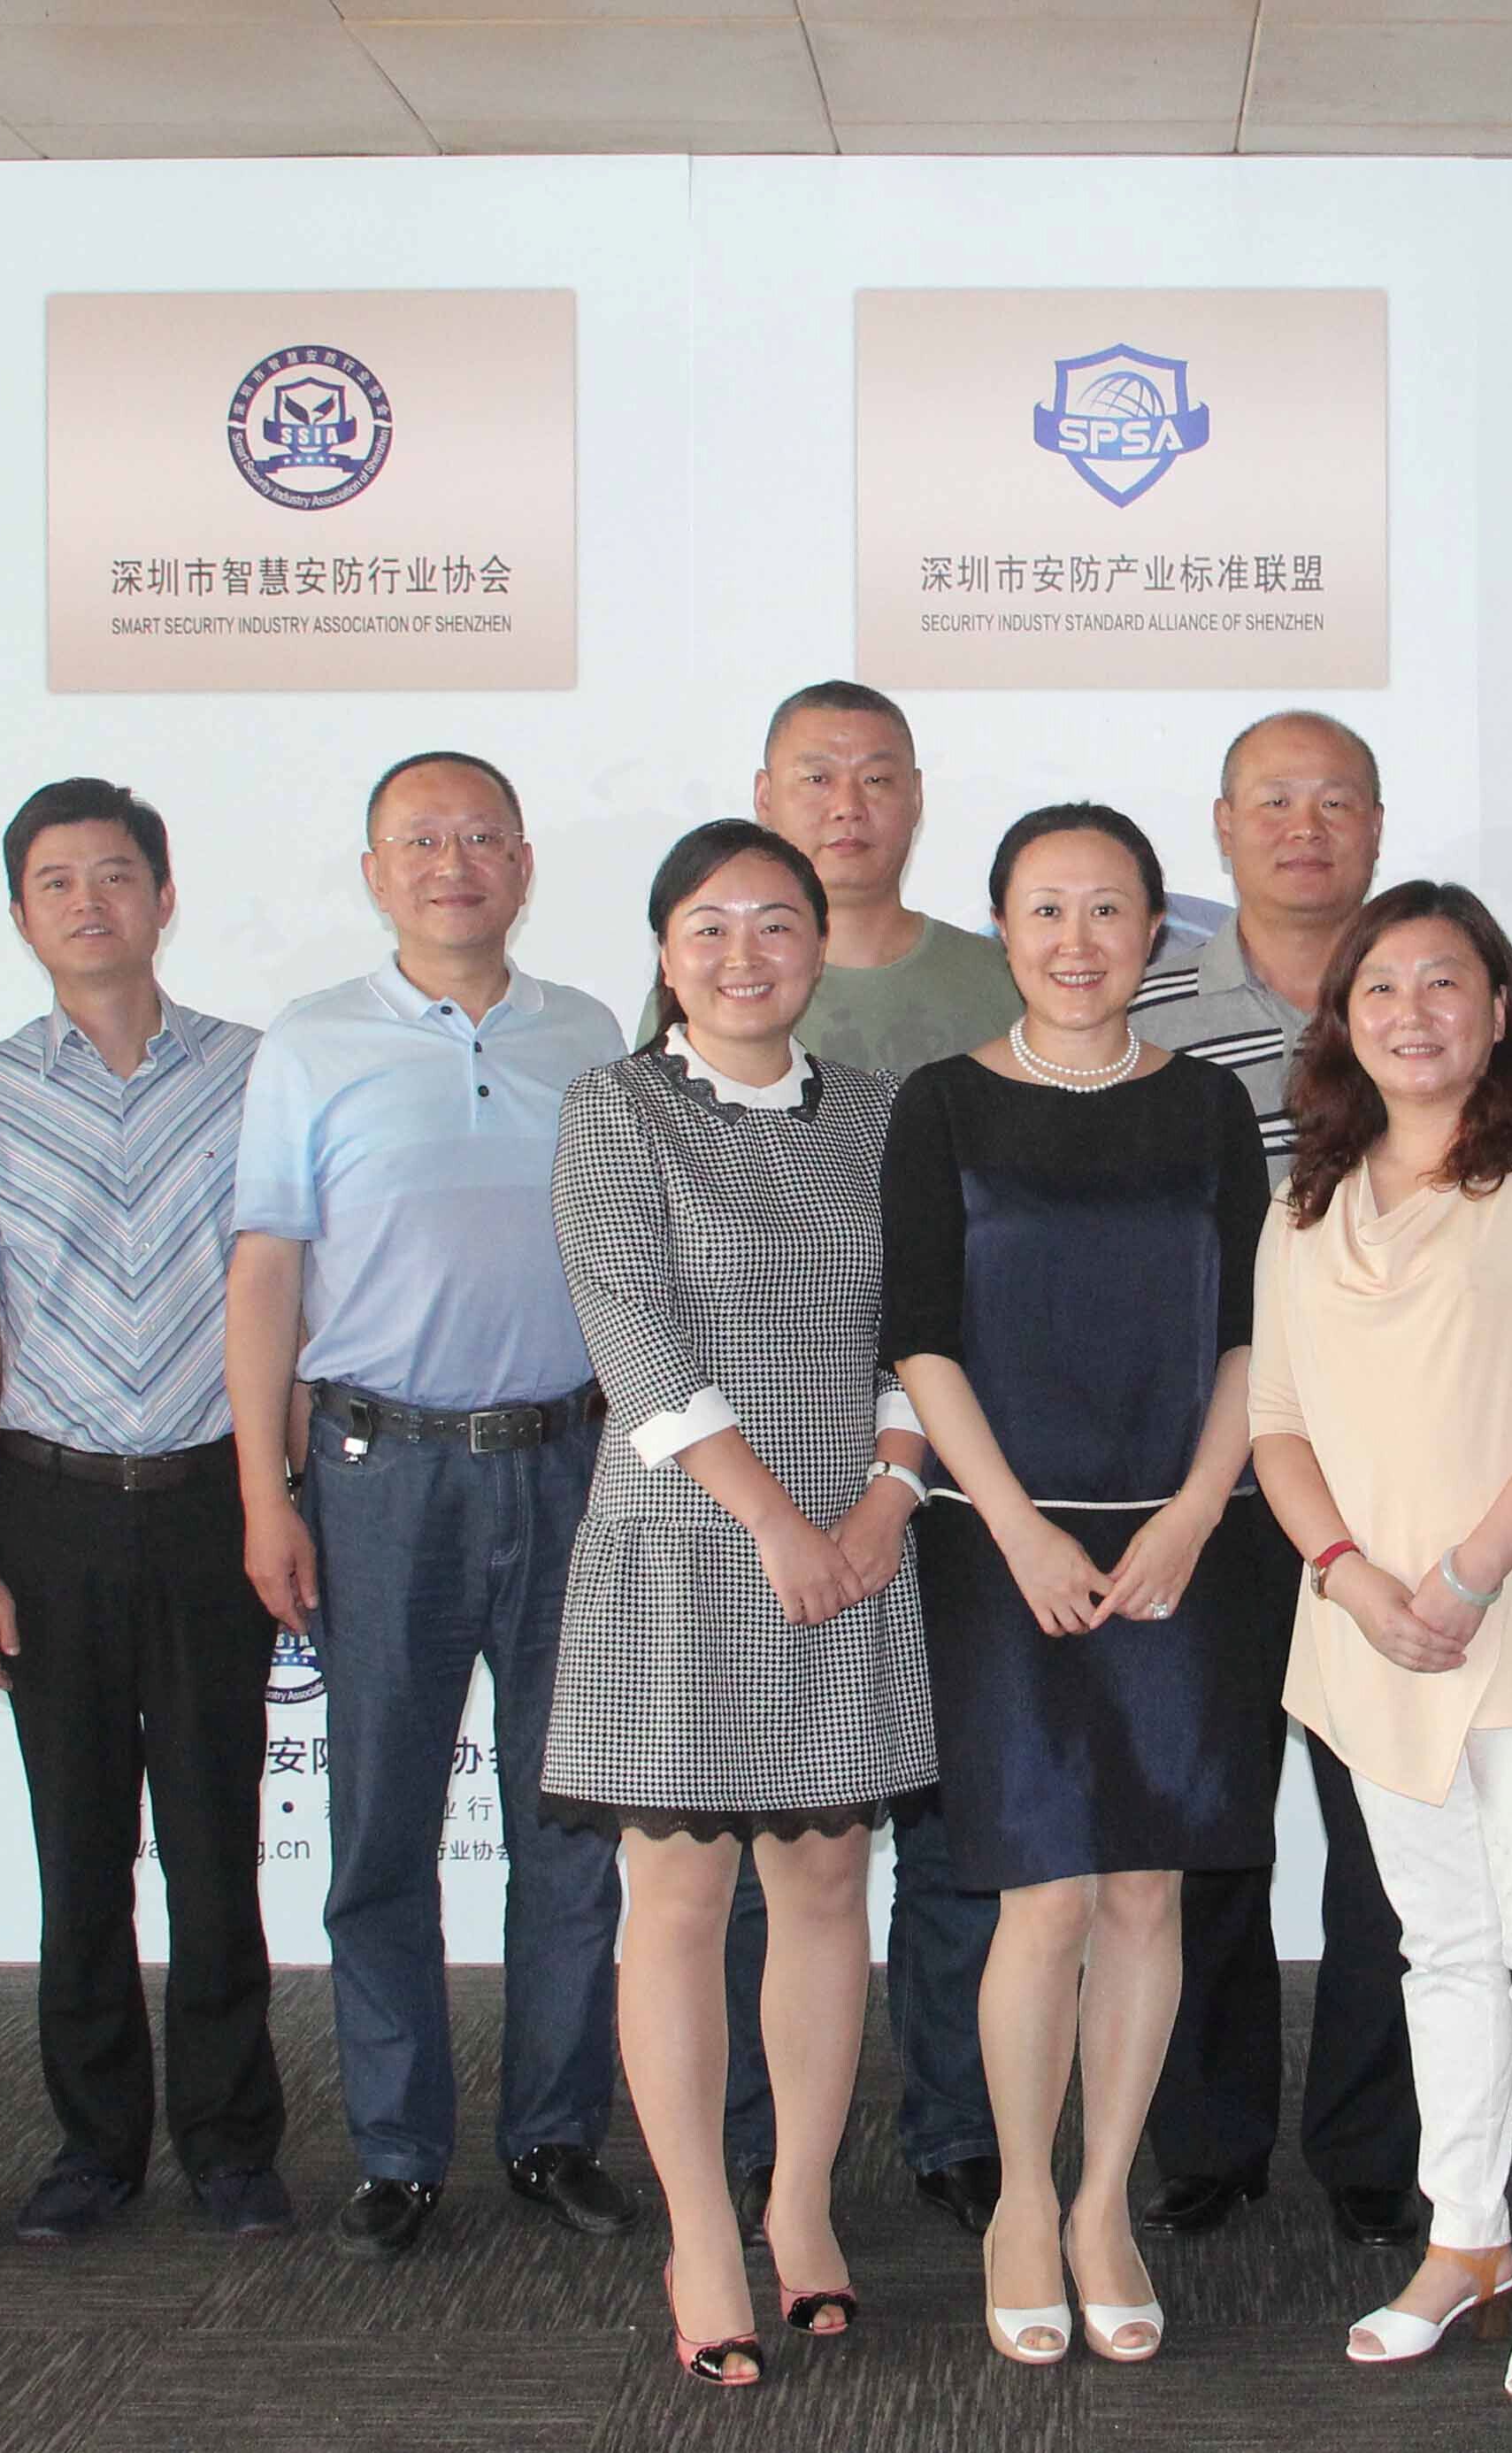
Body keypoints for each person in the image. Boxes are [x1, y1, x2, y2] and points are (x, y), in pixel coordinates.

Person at [224, 750, 635, 2264]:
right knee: (382, 1830)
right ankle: (397, 2150)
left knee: (568, 1825)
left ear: (522, 865)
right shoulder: (310, 1044)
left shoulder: (588, 1032)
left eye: (480, 838)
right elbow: (266, 1274)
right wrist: (264, 1494)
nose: (451, 864)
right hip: (377, 1473)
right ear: (374, 873)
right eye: (420, 841)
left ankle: (553, 2134)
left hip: (569, 1465)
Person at [882, 805, 1279, 2366]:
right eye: (1046, 910)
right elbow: (921, 1338)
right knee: (1041, 1892)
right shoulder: (942, 1104)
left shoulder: (1211, 1105)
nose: (1077, 941)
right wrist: (1016, 1528)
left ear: (1153, 933)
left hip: (1186, 1542)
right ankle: (1022, 2205)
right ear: (1002, 928)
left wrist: (1194, 1513)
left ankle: (1106, 2202)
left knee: (1146, 1888)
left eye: (1108, 909)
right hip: (1003, 1549)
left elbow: (1254, 1335)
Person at [541, 819, 936, 2388]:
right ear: (664, 950)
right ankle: (701, 2231)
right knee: (682, 1903)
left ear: (820, 947)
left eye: (777, 923)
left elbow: (924, 1328)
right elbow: (628, 1329)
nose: (744, 955)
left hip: (854, 1540)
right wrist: (775, 1521)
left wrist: (886, 1502)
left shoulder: (884, 1116)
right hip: (689, 1541)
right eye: (709, 926)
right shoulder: (614, 1107)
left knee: (829, 1884)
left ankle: (801, 2205)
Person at [1252, 880, 1512, 2403]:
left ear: (1496, 1011)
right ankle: (1464, 2239)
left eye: (1443, 984)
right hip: (1372, 1633)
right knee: (1441, 1951)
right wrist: (1354, 1581)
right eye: (1380, 989)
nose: (1411, 1014)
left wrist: (1471, 1573)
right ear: (1343, 1022)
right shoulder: (1306, 1201)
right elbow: (1277, 1425)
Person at [0, 780, 289, 2247]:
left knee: (214, 1847)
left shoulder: (259, 1076)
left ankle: (232, 2144)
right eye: (57, 881)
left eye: (117, 873)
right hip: (51, 1511)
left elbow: (294, 1301)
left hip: (214, 1504)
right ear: (22, 916)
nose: (90, 901)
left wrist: (281, 1495)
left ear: (164, 896)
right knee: (76, 1854)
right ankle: (94, 2148)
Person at [1127, 710, 1426, 2249]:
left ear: (1376, 825)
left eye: (1336, 802)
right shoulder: (1148, 1004)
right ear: (1223, 826)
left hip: (1397, 1485)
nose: (1305, 829)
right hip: (1209, 1482)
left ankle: (1376, 2142)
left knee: (1388, 1839)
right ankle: (1210, 2136)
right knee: (1209, 1823)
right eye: (1273, 803)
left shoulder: (1435, 997)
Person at [722, 679, 1016, 2237]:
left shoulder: (991, 977)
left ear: (917, 797)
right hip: (763, 1485)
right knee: (768, 1835)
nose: (848, 804)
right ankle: (772, 2140)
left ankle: (954, 2124)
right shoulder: (720, 975)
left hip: (958, 1467)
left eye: (878, 776)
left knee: (954, 1826)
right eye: (816, 776)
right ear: (768, 793)